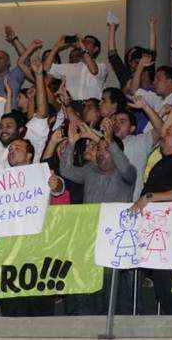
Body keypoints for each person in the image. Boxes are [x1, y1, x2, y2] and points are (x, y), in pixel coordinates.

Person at [58, 118, 136, 316]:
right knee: (88, 295)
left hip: (114, 246)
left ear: (118, 154)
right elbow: (66, 170)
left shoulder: (127, 174)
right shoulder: (90, 171)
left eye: (105, 149)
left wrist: (109, 140)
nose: (100, 153)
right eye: (99, 149)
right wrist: (72, 142)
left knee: (112, 299)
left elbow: (124, 166)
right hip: (89, 243)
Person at [130, 122, 172, 315]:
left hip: (171, 238)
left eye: (168, 133)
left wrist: (150, 197)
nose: (163, 135)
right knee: (163, 292)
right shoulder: (163, 161)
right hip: (157, 234)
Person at [44, 35, 108, 101]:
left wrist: (82, 46)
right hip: (72, 108)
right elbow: (46, 68)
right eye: (84, 42)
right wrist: (56, 47)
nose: (84, 43)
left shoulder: (102, 66)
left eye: (88, 42)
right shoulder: (70, 67)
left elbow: (94, 70)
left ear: (95, 49)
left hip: (92, 108)